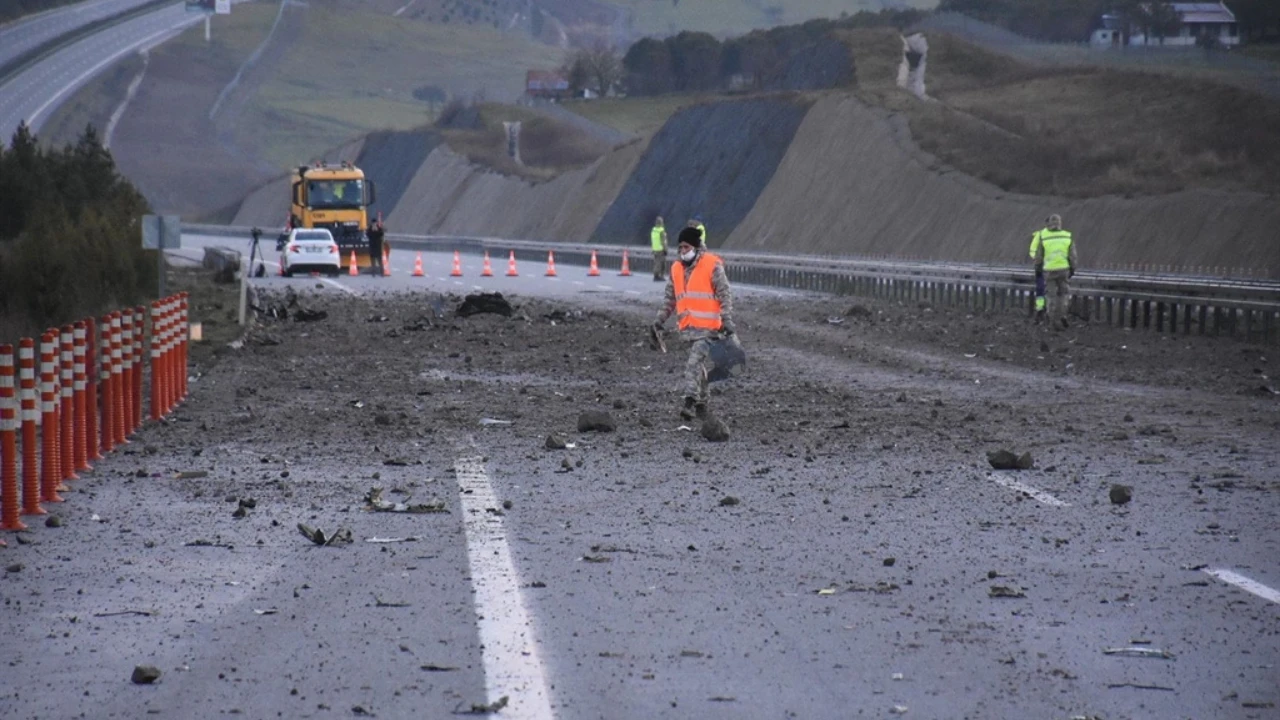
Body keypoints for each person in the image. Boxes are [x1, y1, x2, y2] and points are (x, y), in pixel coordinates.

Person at [653, 226, 736, 420]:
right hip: (688, 329)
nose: (683, 251)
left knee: (693, 364)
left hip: (708, 329)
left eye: (686, 247)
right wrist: (659, 320)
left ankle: (689, 402)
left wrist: (727, 319)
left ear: (696, 247)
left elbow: (724, 294)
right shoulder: (676, 269)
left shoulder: (712, 265)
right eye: (680, 247)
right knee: (699, 367)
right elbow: (670, 299)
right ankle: (703, 405)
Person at [1034, 213, 1078, 330]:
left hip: (1049, 271)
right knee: (1064, 294)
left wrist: (1038, 269)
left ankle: (1051, 319)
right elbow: (1073, 256)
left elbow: (1039, 257)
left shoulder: (1044, 238)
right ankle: (1063, 315)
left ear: (1049, 224)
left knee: (1051, 295)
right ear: (1060, 223)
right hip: (1064, 270)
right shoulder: (1067, 236)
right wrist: (1072, 269)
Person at [1028, 218, 1049, 322]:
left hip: (1053, 268)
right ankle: (1040, 310)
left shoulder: (1060, 235)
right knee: (1041, 289)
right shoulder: (1040, 235)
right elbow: (1032, 250)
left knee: (1046, 289)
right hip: (1042, 268)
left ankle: (1048, 310)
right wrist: (1037, 259)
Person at [650, 216, 669, 282]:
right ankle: (660, 276)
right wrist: (666, 249)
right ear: (661, 223)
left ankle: (656, 275)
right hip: (660, 249)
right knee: (661, 263)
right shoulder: (661, 231)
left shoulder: (653, 230)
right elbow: (663, 241)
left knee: (656, 263)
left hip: (655, 249)